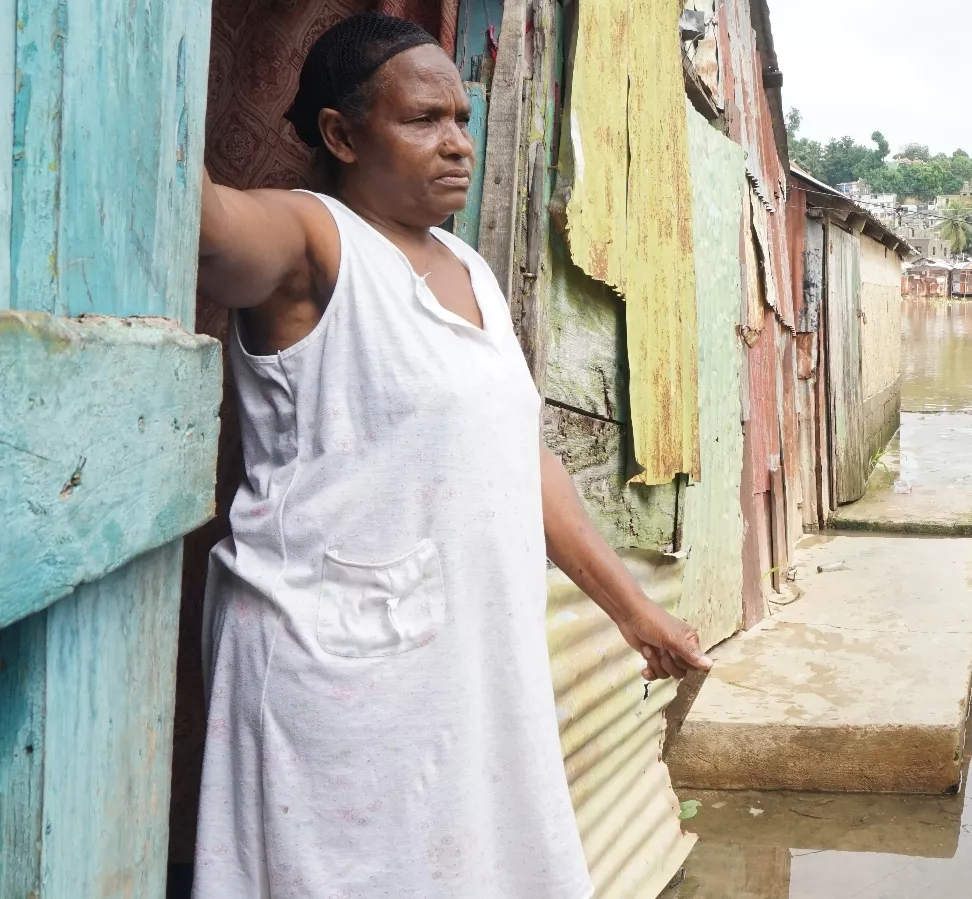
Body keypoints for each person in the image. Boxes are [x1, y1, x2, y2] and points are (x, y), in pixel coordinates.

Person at [192, 13, 711, 898]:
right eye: (423, 119)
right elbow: (201, 228)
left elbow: (516, 454)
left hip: (462, 669)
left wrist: (632, 610)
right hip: (333, 669)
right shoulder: (311, 242)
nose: (457, 144)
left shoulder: (468, 270)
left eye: (463, 120)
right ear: (340, 134)